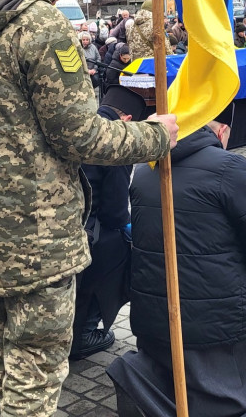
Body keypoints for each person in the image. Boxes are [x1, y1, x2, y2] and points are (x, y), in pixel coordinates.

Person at [0, 0, 177, 417]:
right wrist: (155, 134)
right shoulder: (42, 24)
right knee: (34, 373)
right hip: (33, 237)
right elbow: (80, 136)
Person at [108, 121, 246, 417]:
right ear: (221, 131)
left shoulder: (145, 168)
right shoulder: (230, 166)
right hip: (218, 319)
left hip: (154, 318)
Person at [70, 86, 148, 361]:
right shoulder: (115, 143)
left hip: (61, 225)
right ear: (127, 120)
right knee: (122, 256)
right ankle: (84, 333)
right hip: (92, 235)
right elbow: (115, 211)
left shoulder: (81, 126)